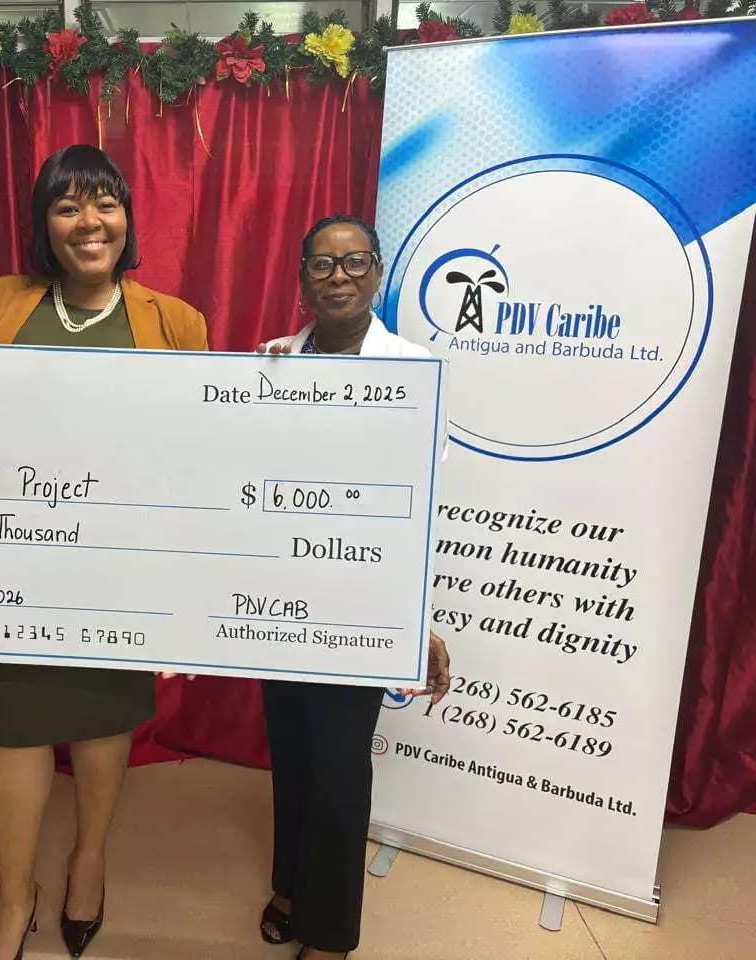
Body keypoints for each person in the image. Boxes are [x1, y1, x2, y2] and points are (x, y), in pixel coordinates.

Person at [0, 144, 208, 960]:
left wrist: (183, 588)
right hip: (11, 558)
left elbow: (194, 456)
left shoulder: (175, 322)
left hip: (119, 563)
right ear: (43, 224)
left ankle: (89, 860)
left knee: (101, 716)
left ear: (127, 217)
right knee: (15, 725)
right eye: (67, 205)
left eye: (105, 203)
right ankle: (15, 896)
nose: (90, 222)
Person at [255, 215, 452, 960]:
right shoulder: (271, 361)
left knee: (339, 762)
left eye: (355, 262)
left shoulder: (414, 369)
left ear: (377, 272)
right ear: (302, 278)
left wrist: (417, 616)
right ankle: (290, 885)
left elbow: (419, 505)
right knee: (291, 749)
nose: (338, 276)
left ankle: (331, 934)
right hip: (278, 594)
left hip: (360, 600)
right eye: (322, 265)